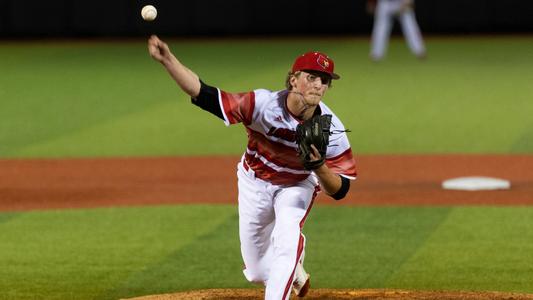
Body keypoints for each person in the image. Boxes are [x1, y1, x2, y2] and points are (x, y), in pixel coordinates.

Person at [147, 35, 357, 300]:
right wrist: (168, 60)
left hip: (297, 185)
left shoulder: (332, 129)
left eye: (324, 80)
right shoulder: (262, 105)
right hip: (254, 181)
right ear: (293, 79)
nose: (318, 85)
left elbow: (341, 189)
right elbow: (206, 95)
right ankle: (296, 270)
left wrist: (319, 167)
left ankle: (290, 256)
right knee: (257, 271)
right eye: (311, 77)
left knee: (287, 238)